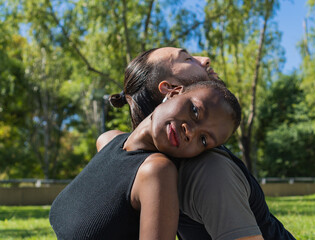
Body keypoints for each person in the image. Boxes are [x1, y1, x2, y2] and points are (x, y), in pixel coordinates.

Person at [105, 47, 296, 240]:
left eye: (204, 140)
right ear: (171, 90)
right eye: (187, 59)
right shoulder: (208, 169)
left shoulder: (141, 163)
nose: (205, 60)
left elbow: (108, 139)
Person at [49, 80, 242, 240]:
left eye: (203, 139)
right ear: (174, 93)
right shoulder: (109, 141)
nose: (190, 132)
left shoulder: (156, 172)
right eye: (195, 111)